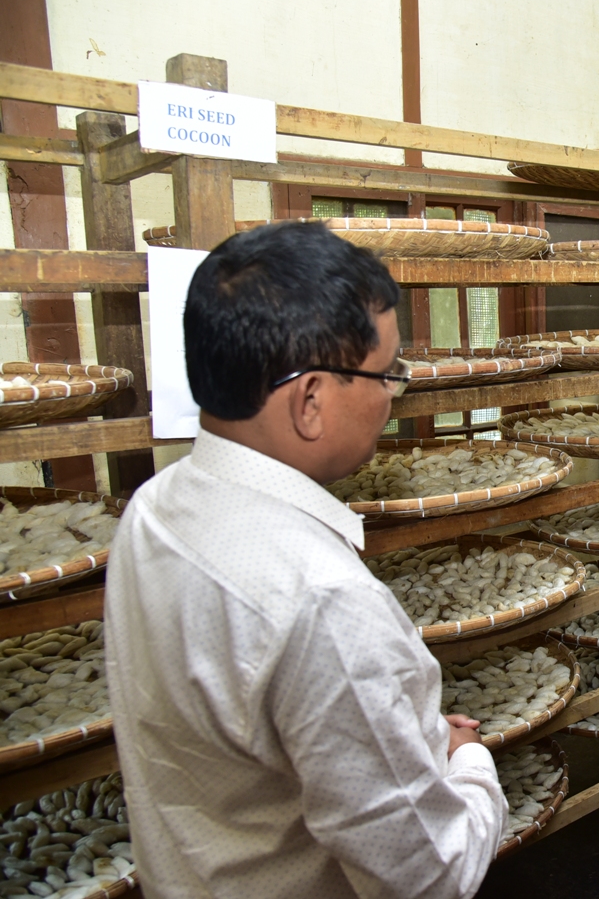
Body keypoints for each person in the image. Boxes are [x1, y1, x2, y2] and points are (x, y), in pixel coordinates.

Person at [104, 222, 507, 898]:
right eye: (388, 374)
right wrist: (467, 765)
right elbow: (430, 875)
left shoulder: (154, 508)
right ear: (311, 400)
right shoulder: (321, 598)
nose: (391, 397)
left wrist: (401, 731)